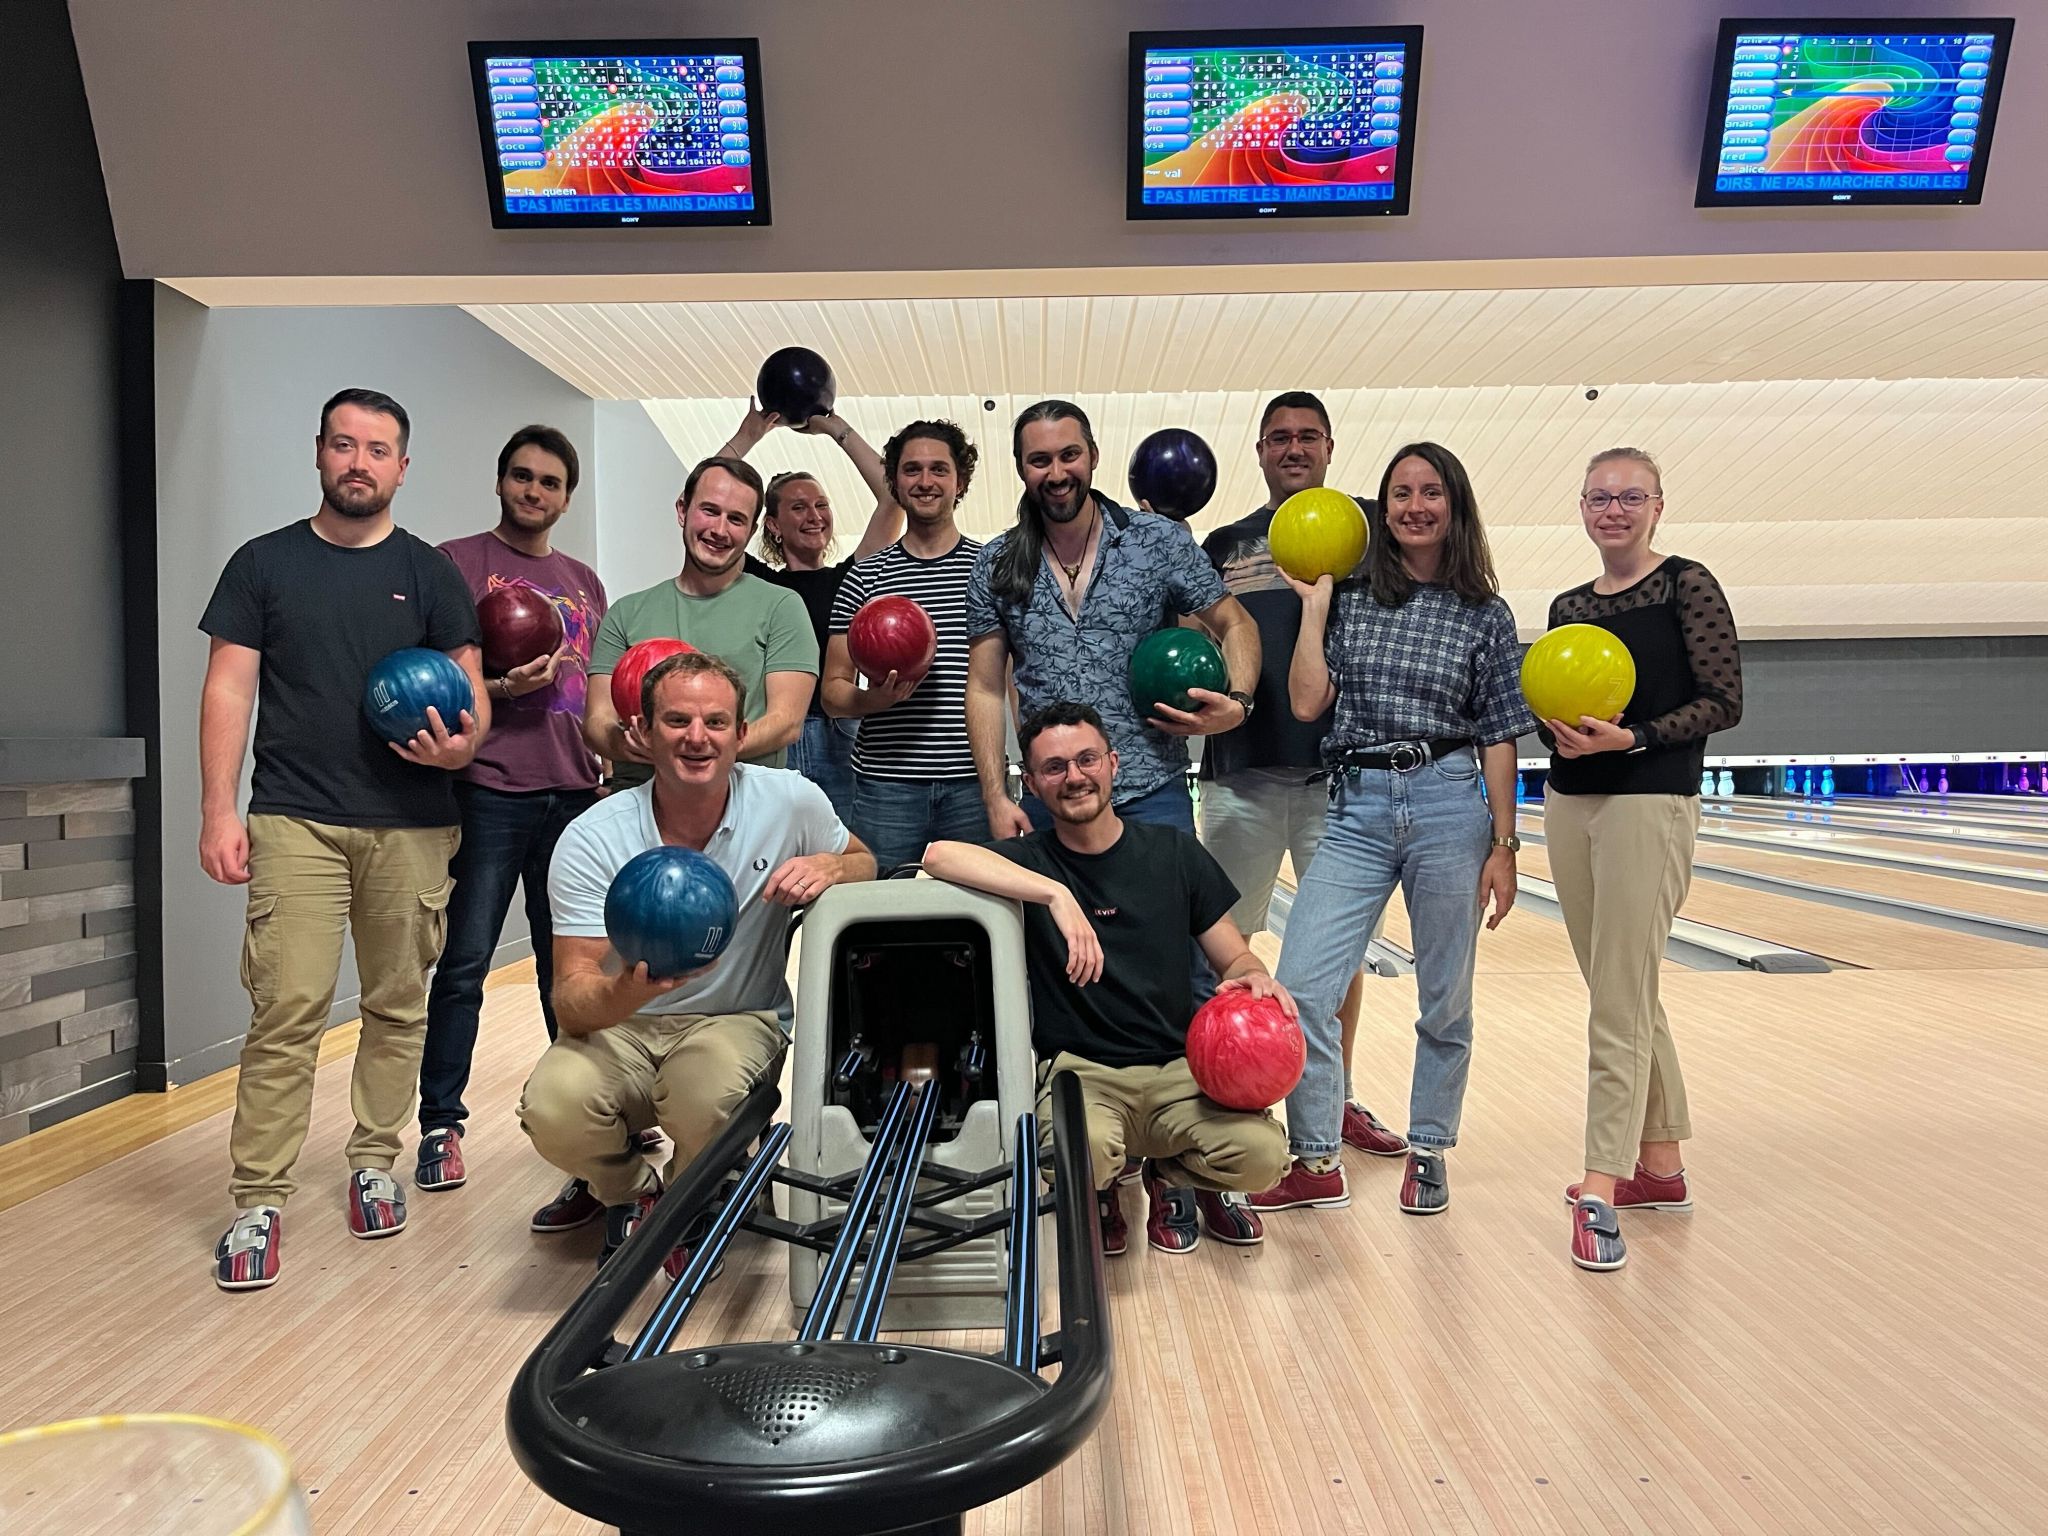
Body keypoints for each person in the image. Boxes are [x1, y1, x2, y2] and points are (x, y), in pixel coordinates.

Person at [201, 388, 489, 1292]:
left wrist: (461, 745)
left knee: (399, 1004)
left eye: (377, 449)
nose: (358, 462)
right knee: (286, 1009)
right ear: (319, 452)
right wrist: (218, 810)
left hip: (412, 823)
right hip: (296, 819)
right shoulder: (263, 563)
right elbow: (228, 688)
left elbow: (472, 697)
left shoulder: (431, 574)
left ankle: (374, 1161)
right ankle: (258, 1199)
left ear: (403, 467)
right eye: (343, 444)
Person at [1249, 442, 1532, 1223]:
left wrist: (1505, 846)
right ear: (1383, 510)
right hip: (1357, 806)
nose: (1414, 506)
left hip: (1448, 805)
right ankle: (1316, 1159)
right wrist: (1313, 609)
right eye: (1400, 493)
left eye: (1430, 491)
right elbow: (1307, 703)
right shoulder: (1352, 600)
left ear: (1454, 505)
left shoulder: (1486, 614)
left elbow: (1499, 735)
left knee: (1445, 997)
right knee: (1304, 987)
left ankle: (1430, 1149)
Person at [519, 650, 877, 1268]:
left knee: (703, 1097)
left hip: (736, 1018)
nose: (697, 738)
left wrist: (831, 865)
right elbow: (571, 1003)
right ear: (643, 732)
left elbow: (865, 860)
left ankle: (699, 1189)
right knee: (553, 1108)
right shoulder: (594, 835)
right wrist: (630, 991)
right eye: (677, 720)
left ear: (741, 733)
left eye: (716, 722)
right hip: (623, 1025)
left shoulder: (790, 801)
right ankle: (635, 1194)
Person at [923, 702, 1292, 1253]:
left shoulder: (1174, 852)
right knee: (1078, 1159)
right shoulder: (1030, 862)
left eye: (1087, 759)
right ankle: (1103, 1186)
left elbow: (1235, 960)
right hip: (1084, 1075)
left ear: (1113, 764)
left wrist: (1255, 978)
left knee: (1263, 1159)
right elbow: (937, 855)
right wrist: (1055, 894)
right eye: (1054, 768)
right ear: (1032, 783)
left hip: (1179, 1072)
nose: (1074, 777)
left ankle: (1167, 1172)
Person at [412, 425, 625, 1230]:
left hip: (574, 794)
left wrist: (607, 765)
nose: (535, 492)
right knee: (464, 962)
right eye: (523, 477)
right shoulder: (455, 564)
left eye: (550, 482)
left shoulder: (585, 582)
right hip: (489, 790)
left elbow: (595, 694)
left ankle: (586, 1125)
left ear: (567, 497)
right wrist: (501, 686)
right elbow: (435, 681)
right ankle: (441, 1125)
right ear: (501, 481)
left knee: (568, 969)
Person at [1542, 448, 1742, 1273]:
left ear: (1658, 505)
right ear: (1583, 507)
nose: (1613, 510)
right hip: (1570, 800)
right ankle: (1660, 1166)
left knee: (1619, 998)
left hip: (1650, 799)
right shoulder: (1569, 606)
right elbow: (1560, 695)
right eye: (1600, 497)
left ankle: (1601, 1180)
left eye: (1630, 497)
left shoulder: (1688, 585)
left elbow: (1724, 701)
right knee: (1619, 989)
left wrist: (1635, 737)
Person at [1198, 390, 1407, 1161]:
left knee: (1339, 952)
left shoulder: (1371, 533)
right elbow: (1194, 636)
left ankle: (1334, 1098)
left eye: (1308, 436)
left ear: (1328, 447)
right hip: (1240, 772)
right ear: (1260, 451)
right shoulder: (1225, 543)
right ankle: (1232, 1097)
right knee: (1228, 941)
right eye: (1279, 437)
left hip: (1344, 779)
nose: (1294, 448)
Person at [966, 402, 1257, 831]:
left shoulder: (1157, 540)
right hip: (1053, 794)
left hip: (1152, 789)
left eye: (1069, 455)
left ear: (1094, 455)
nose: (1057, 473)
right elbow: (986, 688)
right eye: (1040, 460)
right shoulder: (996, 562)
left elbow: (1236, 623)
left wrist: (1239, 703)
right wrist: (994, 796)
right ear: (1021, 468)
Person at [719, 400, 903, 819]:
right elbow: (703, 497)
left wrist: (835, 427)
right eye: (799, 507)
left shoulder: (851, 577)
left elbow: (893, 498)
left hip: (841, 734)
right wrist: (748, 436)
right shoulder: (755, 581)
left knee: (844, 849)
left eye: (821, 505)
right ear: (773, 524)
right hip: (774, 733)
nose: (814, 516)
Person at [583, 456, 816, 784]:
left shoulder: (782, 607)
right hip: (640, 797)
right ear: (682, 510)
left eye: (736, 519)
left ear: (751, 531)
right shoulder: (625, 613)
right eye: (709, 510)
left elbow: (786, 722)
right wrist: (627, 745)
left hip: (745, 798)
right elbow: (597, 721)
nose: (719, 530)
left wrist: (692, 750)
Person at [820, 419, 986, 872]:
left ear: (960, 481)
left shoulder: (989, 570)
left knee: (979, 910)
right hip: (885, 787)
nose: (925, 481)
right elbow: (832, 692)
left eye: (939, 469)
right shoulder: (864, 576)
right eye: (912, 469)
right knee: (883, 906)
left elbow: (1011, 679)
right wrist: (873, 701)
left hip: (972, 783)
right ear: (894, 481)